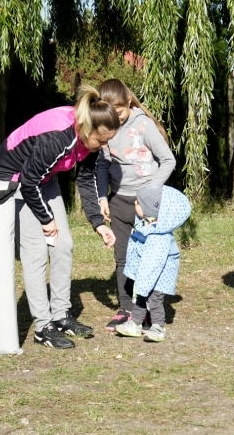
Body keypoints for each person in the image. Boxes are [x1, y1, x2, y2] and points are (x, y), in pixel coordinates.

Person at [0, 85, 120, 349]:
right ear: (88, 130)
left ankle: (60, 316)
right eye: (102, 141)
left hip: (41, 179)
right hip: (14, 179)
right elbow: (28, 182)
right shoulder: (58, 138)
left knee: (63, 245)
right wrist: (47, 220)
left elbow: (84, 179)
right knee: (35, 251)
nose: (105, 147)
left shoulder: (89, 142)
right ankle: (43, 326)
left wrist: (97, 223)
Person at [96, 79, 176, 331]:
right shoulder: (107, 126)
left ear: (129, 101)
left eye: (118, 111)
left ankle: (150, 310)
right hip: (118, 201)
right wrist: (102, 196)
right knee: (122, 259)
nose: (115, 118)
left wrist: (150, 193)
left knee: (148, 259)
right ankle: (126, 310)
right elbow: (102, 165)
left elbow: (168, 160)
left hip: (146, 205)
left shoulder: (143, 124)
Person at [114, 184, 191, 342]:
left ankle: (158, 326)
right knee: (141, 300)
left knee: (154, 301)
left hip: (155, 277)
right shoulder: (147, 225)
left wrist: (143, 279)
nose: (135, 204)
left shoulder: (158, 236)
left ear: (149, 209)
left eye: (138, 203)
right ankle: (135, 324)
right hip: (145, 276)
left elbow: (153, 263)